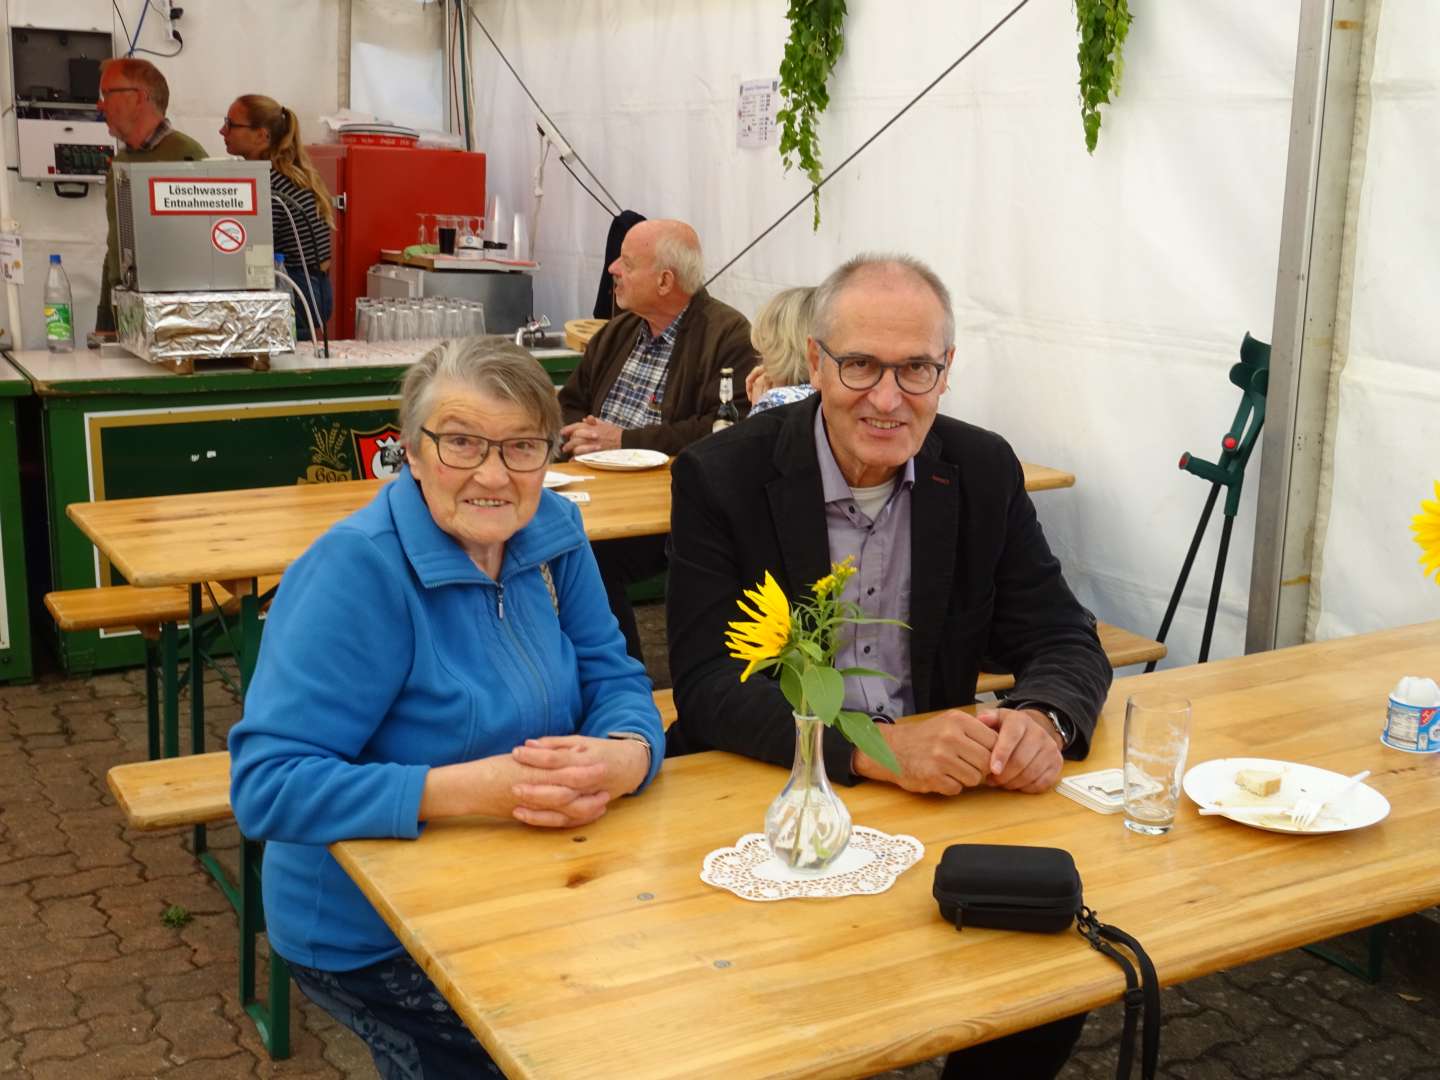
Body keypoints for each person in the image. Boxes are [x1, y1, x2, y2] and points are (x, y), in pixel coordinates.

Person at [664, 254, 1111, 1079]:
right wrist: (877, 747)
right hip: (762, 799)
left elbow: (1064, 636)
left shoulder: (980, 469)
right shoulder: (723, 475)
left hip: (937, 811)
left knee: (1047, 987)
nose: (886, 396)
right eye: (861, 364)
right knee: (774, 1027)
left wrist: (1043, 720)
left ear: (947, 371)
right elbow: (705, 687)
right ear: (816, 360)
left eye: (916, 368)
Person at [229, 338, 664, 1077]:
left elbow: (615, 675)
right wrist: (472, 791)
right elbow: (268, 787)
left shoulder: (554, 532)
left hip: (521, 887)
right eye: (463, 442)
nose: (493, 475)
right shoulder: (356, 569)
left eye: (522, 446)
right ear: (412, 451)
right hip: (368, 932)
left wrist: (627, 754)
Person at [558, 218, 759, 663]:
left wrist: (624, 439)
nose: (612, 269)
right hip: (594, 489)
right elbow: (570, 402)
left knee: (585, 556)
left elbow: (727, 427)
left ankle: (618, 683)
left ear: (665, 280)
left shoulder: (727, 335)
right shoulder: (617, 331)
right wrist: (578, 432)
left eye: (626, 262)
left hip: (670, 503)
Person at [94, 59, 205, 335]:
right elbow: (116, 244)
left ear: (140, 97)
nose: (100, 105)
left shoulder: (186, 157)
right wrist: (105, 313)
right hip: (120, 307)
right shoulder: (122, 160)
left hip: (170, 315)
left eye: (107, 94)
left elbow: (202, 250)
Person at [221, 95, 335, 339]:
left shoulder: (266, 183)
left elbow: (250, 250)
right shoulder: (292, 174)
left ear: (262, 136)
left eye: (231, 124)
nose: (223, 130)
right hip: (317, 287)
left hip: (295, 289)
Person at [746, 285, 818, 416]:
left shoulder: (774, 403)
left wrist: (758, 407)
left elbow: (751, 436)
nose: (762, 364)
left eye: (764, 352)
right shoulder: (833, 393)